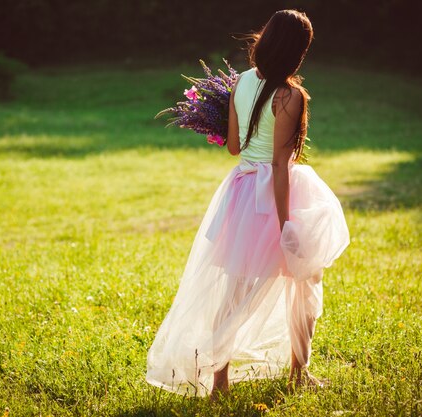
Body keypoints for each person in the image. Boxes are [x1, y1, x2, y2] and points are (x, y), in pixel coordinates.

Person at [146, 9, 350, 398]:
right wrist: (286, 223)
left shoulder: (240, 81)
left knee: (233, 289)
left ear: (267, 39)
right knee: (303, 285)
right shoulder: (291, 96)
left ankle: (218, 380)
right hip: (275, 193)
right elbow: (279, 164)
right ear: (298, 52)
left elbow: (235, 147)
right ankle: (298, 373)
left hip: (241, 190)